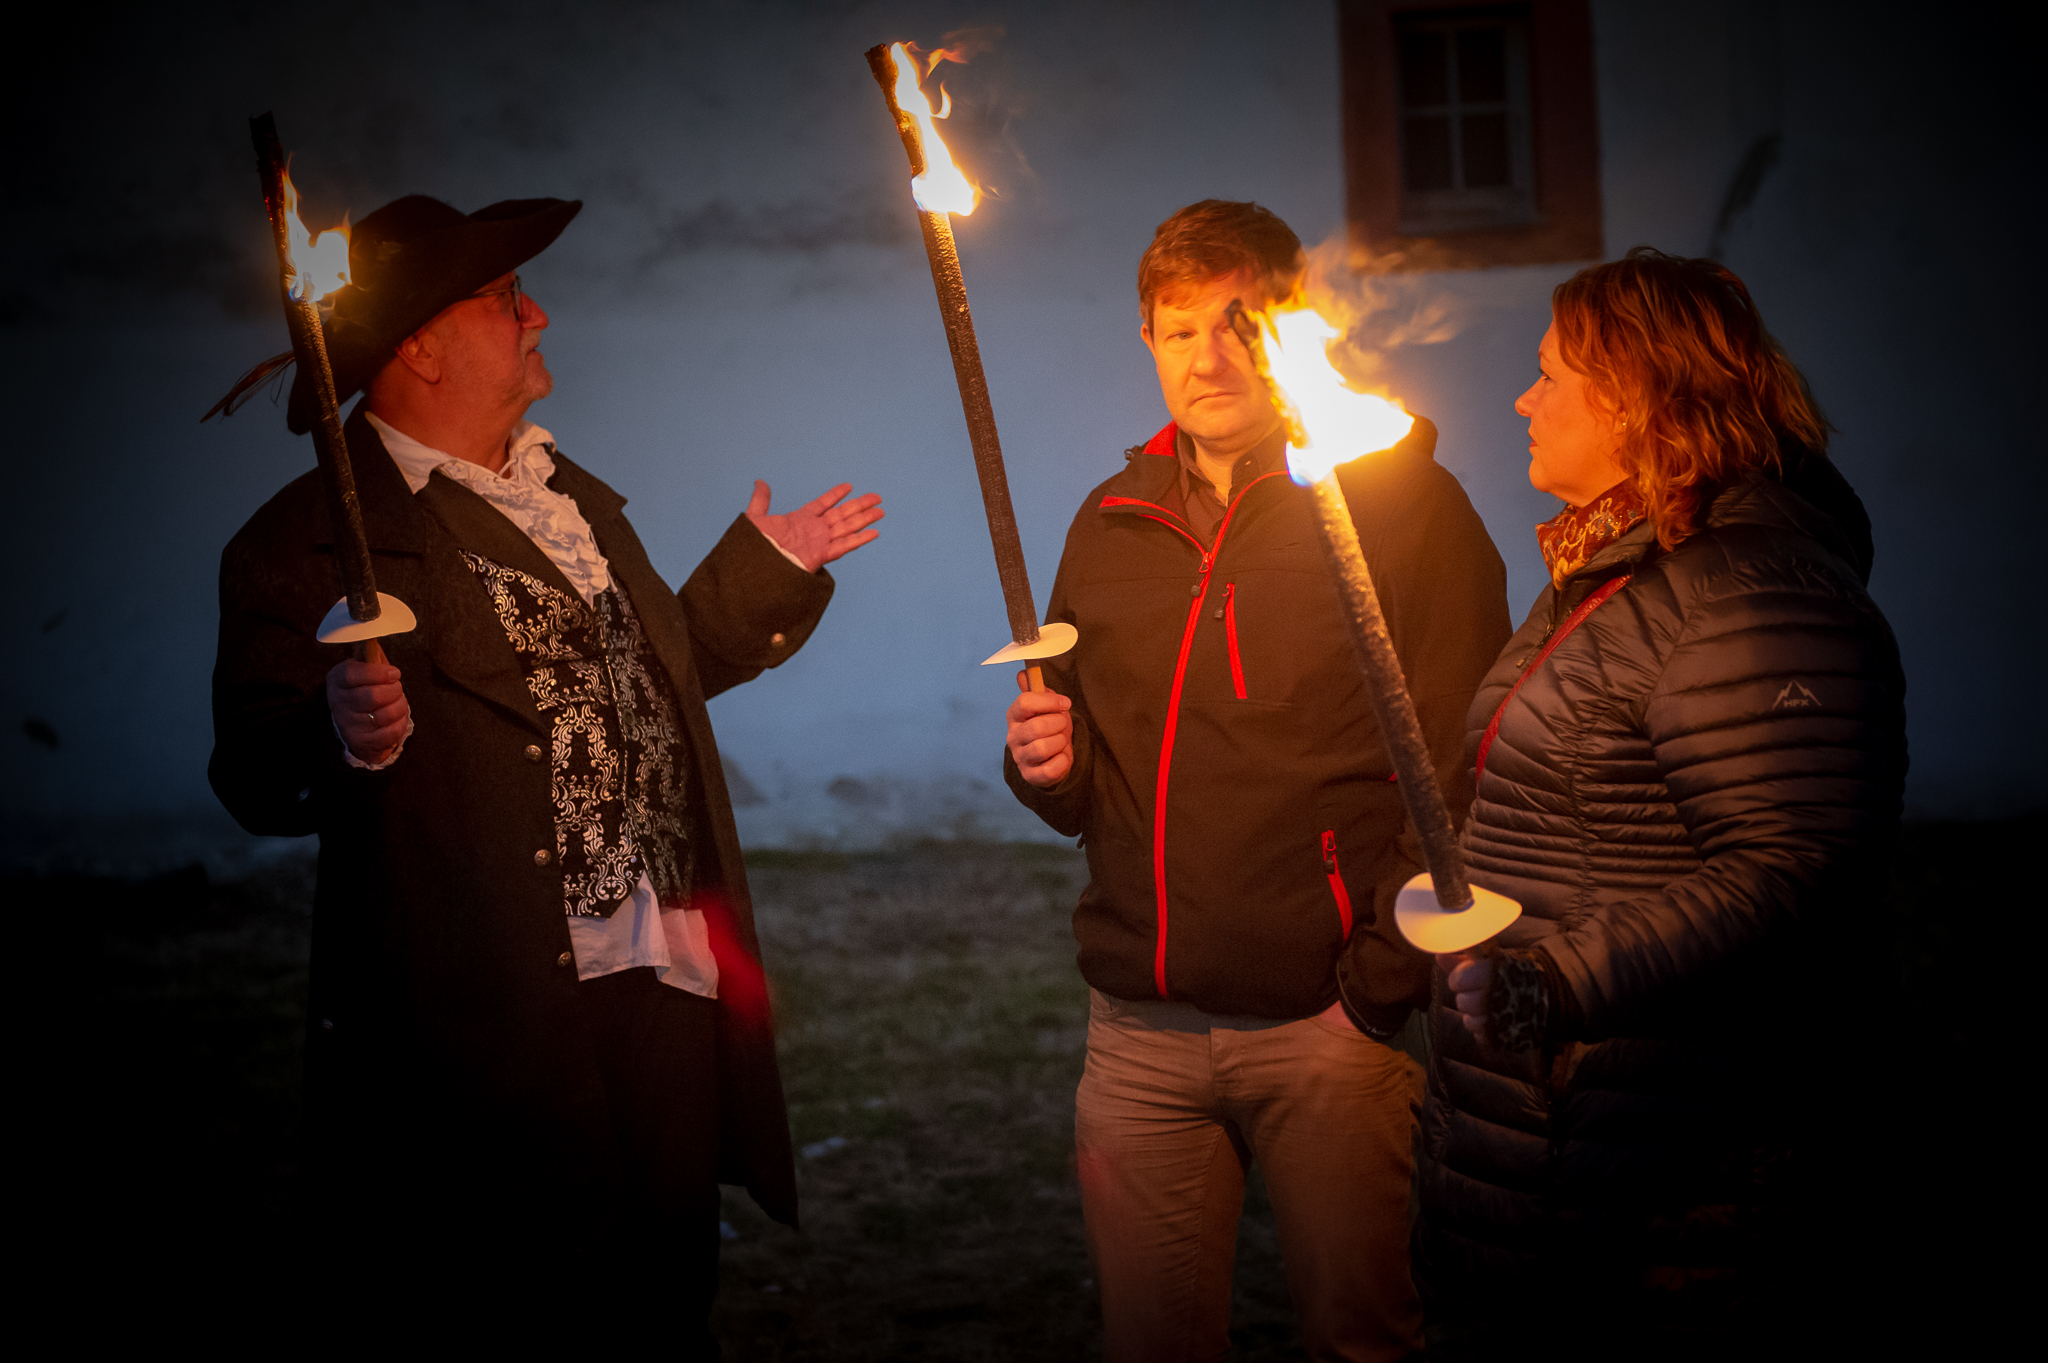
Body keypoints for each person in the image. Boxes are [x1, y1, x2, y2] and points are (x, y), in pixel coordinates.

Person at [207, 194, 882, 1337]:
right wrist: (337, 727)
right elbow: (256, 774)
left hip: (661, 969)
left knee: (659, 1294)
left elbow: (632, 683)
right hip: (485, 1016)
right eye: (506, 298)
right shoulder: (309, 538)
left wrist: (762, 570)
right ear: (420, 346)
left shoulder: (566, 497)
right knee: (520, 1296)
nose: (539, 314)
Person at [1004, 199, 1510, 1362]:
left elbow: (1463, 758)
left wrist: (1375, 987)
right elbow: (1076, 770)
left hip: (1325, 1028)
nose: (1208, 358)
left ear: (1288, 326)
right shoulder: (1109, 521)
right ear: (1146, 340)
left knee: (1362, 1340)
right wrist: (1043, 764)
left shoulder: (1395, 504)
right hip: (1137, 1030)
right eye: (1179, 330)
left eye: (1237, 324)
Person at [1414, 248, 1906, 1358]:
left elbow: (1795, 867)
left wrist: (1551, 985)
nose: (1522, 399)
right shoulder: (1617, 574)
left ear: (1637, 397)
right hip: (1552, 1141)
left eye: (1550, 374)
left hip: (1673, 1170)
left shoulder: (1749, 588)